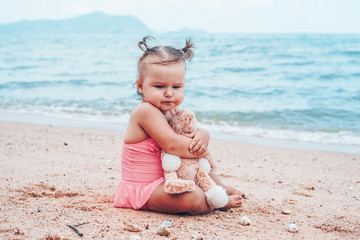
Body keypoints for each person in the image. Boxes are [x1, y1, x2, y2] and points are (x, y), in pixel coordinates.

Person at [114, 36, 244, 215]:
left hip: (169, 179)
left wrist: (203, 135)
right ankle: (217, 201)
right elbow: (173, 144)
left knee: (194, 159)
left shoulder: (173, 113)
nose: (169, 93)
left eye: (176, 87)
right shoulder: (145, 111)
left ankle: (219, 187)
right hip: (144, 188)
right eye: (159, 87)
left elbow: (189, 136)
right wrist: (204, 150)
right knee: (195, 198)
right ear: (141, 86)